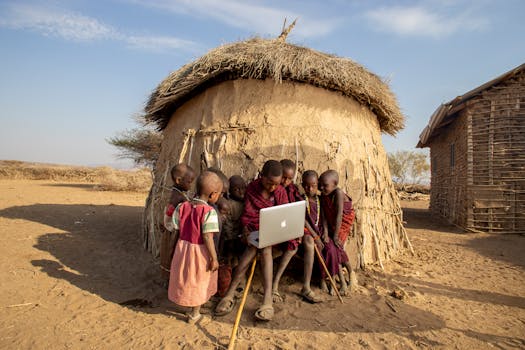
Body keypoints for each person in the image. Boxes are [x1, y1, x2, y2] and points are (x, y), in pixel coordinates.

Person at [215, 160, 288, 321]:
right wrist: (247, 230)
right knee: (254, 246)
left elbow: (284, 216)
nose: (272, 187)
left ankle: (259, 298)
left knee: (265, 247)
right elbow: (248, 215)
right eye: (269, 183)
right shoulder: (252, 189)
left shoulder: (281, 192)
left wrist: (273, 230)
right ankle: (236, 295)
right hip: (253, 232)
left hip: (273, 234)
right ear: (261, 177)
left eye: (276, 184)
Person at [168, 171, 223, 324]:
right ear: (213, 194)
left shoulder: (182, 206)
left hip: (183, 248)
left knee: (186, 278)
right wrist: (214, 257)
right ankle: (195, 314)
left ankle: (189, 303)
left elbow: (175, 231)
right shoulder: (208, 212)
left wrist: (172, 250)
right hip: (199, 253)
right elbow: (207, 237)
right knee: (198, 281)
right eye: (219, 194)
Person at [318, 169, 356, 296]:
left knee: (337, 247)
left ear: (335, 185)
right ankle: (340, 280)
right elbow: (323, 215)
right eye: (320, 185)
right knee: (334, 250)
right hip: (331, 223)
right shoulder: (324, 195)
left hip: (342, 223)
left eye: (325, 185)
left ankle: (350, 274)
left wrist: (335, 235)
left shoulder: (338, 193)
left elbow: (339, 214)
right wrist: (326, 231)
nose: (321, 188)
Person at [271, 159, 304, 302]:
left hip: (285, 228)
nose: (285, 181)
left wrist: (296, 230)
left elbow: (296, 213)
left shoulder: (293, 191)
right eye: (283, 177)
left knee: (293, 246)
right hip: (271, 228)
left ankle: (275, 282)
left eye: (289, 179)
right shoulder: (270, 187)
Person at [160, 163, 196, 287]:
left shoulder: (178, 192)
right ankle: (171, 281)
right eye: (189, 182)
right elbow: (170, 212)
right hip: (173, 232)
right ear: (178, 180)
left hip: (171, 229)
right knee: (172, 254)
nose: (191, 185)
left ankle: (169, 280)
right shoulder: (178, 196)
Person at [299, 170, 325, 303]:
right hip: (307, 231)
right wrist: (315, 236)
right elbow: (302, 219)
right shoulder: (301, 199)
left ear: (318, 185)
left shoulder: (320, 200)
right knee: (310, 243)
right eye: (307, 186)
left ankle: (323, 279)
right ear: (302, 185)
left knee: (329, 247)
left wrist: (323, 234)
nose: (310, 189)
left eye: (313, 186)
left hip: (319, 232)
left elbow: (324, 219)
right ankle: (306, 285)